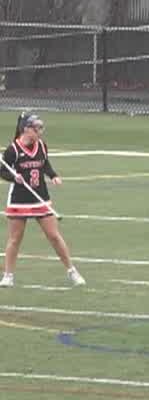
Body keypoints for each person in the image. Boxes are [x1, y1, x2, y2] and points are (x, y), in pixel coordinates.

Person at [1, 112, 83, 287]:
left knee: (54, 235)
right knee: (15, 238)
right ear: (26, 129)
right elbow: (2, 170)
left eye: (40, 127)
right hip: (19, 199)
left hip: (40, 197)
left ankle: (72, 271)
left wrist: (53, 175)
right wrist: (13, 178)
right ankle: (8, 275)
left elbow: (44, 163)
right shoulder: (13, 150)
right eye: (36, 128)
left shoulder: (41, 145)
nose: (39, 131)